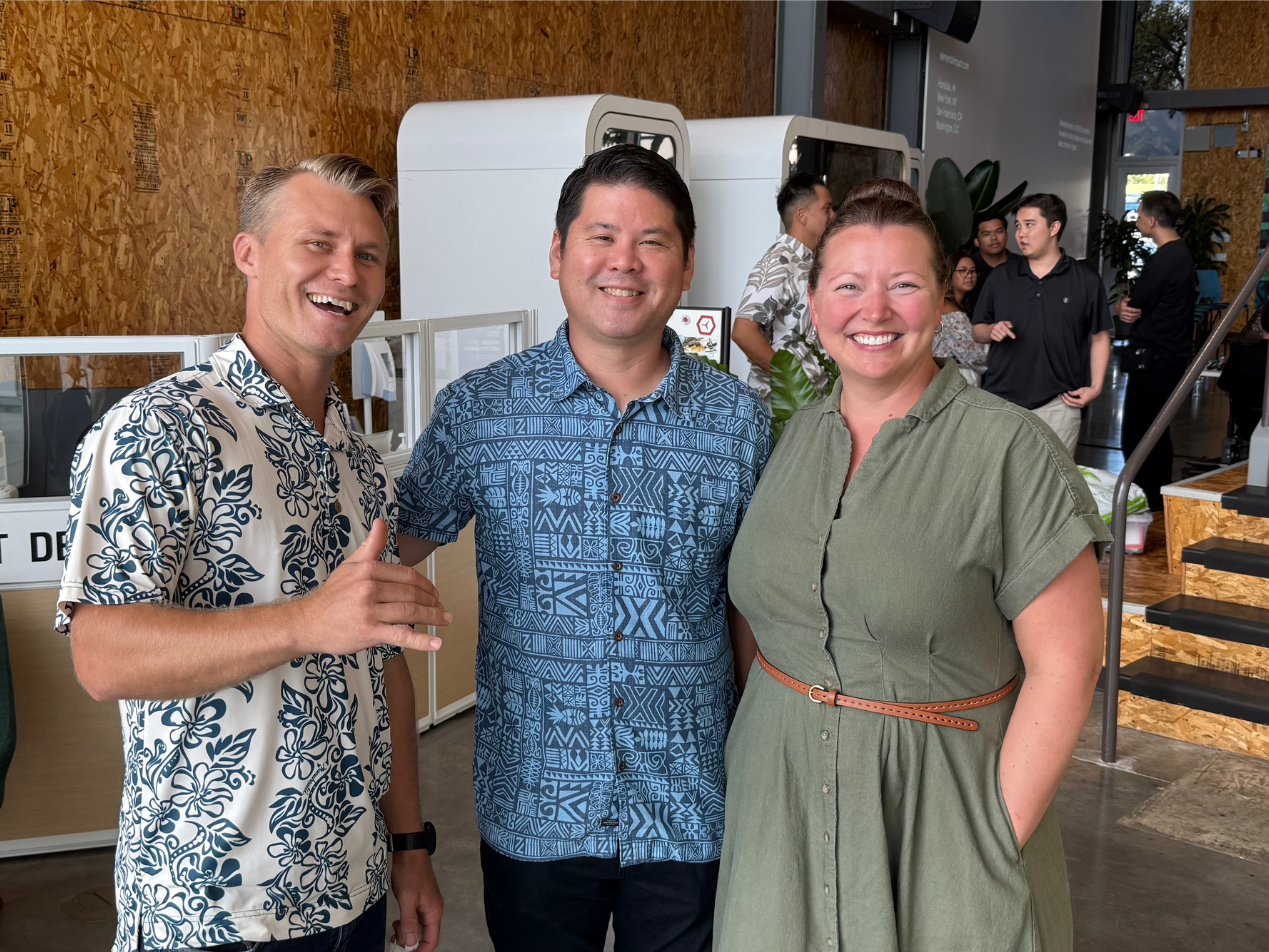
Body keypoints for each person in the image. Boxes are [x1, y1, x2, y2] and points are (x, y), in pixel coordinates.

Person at [58, 155, 449, 952]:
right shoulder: (160, 428)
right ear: (249, 253)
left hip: (352, 890)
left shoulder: (358, 456)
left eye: (368, 255)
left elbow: (383, 665)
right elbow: (101, 657)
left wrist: (410, 847)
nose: (346, 273)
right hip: (212, 907)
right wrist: (305, 621)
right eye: (318, 244)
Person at [713, 179, 1110, 952]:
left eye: (902, 285)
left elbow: (1067, 663)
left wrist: (993, 833)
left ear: (941, 303)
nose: (873, 310)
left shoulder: (1009, 449)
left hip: (940, 812)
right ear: (814, 302)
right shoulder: (794, 439)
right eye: (847, 286)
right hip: (778, 807)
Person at [394, 145, 772, 952]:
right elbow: (389, 555)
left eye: (652, 241)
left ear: (686, 263)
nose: (623, 263)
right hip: (535, 804)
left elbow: (751, 605)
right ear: (558, 253)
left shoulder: (737, 423)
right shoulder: (480, 411)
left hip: (688, 804)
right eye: (600, 237)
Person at [972, 194, 1112, 455]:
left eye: (1029, 225)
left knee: (1051, 479)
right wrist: (991, 330)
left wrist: (1096, 387)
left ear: (1054, 228)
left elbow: (1100, 337)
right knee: (998, 478)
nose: (1020, 234)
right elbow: (977, 330)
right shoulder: (1000, 277)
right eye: (1018, 226)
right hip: (1000, 400)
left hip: (1060, 403)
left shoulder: (1086, 280)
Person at [1115, 190, 1197, 510]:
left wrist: (1122, 307)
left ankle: (1147, 501)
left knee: (1140, 435)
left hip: (1155, 361)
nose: (1136, 220)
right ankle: (1154, 501)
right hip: (1169, 356)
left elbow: (1135, 306)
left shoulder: (1164, 259)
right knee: (1155, 432)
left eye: (1138, 215)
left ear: (1151, 221)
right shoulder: (1181, 253)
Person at [731, 172, 836, 403]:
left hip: (810, 403)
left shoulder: (810, 262)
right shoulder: (779, 262)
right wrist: (791, 382)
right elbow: (743, 332)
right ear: (802, 215)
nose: (833, 215)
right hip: (781, 408)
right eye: (827, 208)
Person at [932, 250, 989, 384]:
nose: (969, 275)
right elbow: (976, 356)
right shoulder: (948, 310)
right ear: (950, 274)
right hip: (952, 379)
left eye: (972, 271)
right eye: (962, 271)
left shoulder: (965, 305)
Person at [970, 212, 1024, 288]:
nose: (994, 238)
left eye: (999, 232)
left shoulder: (1022, 264)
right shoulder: (969, 267)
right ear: (976, 241)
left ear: (1006, 234)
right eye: (986, 234)